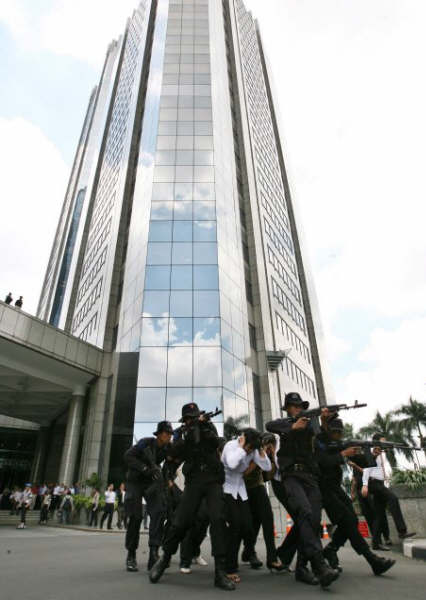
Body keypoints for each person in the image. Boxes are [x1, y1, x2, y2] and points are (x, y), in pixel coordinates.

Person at [149, 403, 235, 591]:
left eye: (193, 418)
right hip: (194, 481)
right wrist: (189, 431)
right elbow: (174, 453)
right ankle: (164, 559)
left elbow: (216, 442)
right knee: (181, 521)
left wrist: (202, 426)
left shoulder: (208, 428)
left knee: (218, 519)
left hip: (212, 480)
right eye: (188, 419)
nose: (191, 421)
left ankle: (220, 571)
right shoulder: (182, 435)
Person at [266, 392, 339, 589]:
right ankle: (320, 566)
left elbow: (323, 441)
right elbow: (269, 425)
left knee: (313, 521)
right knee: (304, 513)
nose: (298, 409)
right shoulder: (284, 425)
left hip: (310, 476)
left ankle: (301, 567)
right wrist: (292, 427)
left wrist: (324, 422)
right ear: (288, 408)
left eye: (300, 406)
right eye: (295, 406)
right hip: (291, 476)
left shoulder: (310, 426)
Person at [316, 416, 395, 576]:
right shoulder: (320, 442)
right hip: (323, 488)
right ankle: (372, 559)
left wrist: (372, 454)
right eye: (335, 432)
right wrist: (343, 454)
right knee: (347, 521)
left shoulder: (340, 445)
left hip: (336, 488)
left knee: (352, 520)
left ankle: (331, 549)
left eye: (340, 432)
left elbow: (364, 463)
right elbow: (322, 461)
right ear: (328, 431)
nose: (338, 435)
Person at [124, 420, 174, 572]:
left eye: (170, 434)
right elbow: (128, 456)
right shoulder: (145, 443)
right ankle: (131, 554)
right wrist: (145, 468)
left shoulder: (168, 448)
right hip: (135, 480)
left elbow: (170, 463)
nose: (169, 436)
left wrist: (166, 478)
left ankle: (153, 553)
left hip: (151, 482)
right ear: (159, 434)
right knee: (136, 516)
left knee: (159, 511)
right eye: (167, 433)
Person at [361, 433, 416, 546]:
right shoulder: (371, 451)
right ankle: (402, 531)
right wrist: (365, 485)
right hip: (374, 483)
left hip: (380, 483)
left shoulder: (382, 453)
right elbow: (366, 469)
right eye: (383, 441)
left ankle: (375, 541)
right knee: (393, 499)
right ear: (376, 442)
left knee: (379, 513)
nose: (385, 443)